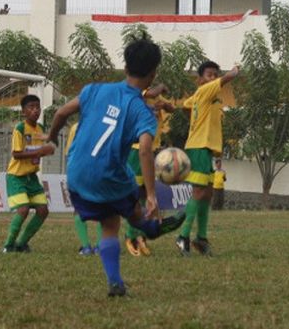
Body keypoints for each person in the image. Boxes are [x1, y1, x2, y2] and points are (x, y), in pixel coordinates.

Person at [47, 37, 186, 296]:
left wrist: (53, 137)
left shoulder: (94, 90)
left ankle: (117, 279)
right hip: (109, 175)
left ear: (125, 67)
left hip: (76, 174)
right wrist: (153, 196)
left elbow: (60, 113)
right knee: (120, 218)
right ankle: (150, 229)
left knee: (109, 218)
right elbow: (146, 149)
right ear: (154, 73)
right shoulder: (142, 111)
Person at [176, 60, 239, 256]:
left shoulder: (203, 96)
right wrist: (234, 70)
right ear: (200, 79)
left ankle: (201, 238)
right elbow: (227, 78)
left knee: (207, 194)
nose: (213, 77)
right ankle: (183, 236)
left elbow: (186, 106)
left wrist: (196, 118)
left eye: (215, 74)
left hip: (206, 147)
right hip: (198, 146)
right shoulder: (205, 91)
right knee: (199, 192)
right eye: (209, 74)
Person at [124, 83, 175, 257]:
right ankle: (130, 236)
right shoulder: (139, 94)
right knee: (136, 195)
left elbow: (172, 108)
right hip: (137, 149)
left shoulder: (156, 98)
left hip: (150, 151)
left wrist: (165, 105)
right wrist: (160, 90)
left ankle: (141, 236)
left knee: (148, 195)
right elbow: (150, 94)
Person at [2, 95, 55, 253]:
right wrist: (41, 151)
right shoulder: (19, 128)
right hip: (16, 176)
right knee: (23, 209)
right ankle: (8, 245)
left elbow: (42, 150)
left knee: (43, 210)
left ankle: (21, 243)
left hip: (31, 177)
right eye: (31, 107)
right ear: (24, 111)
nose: (35, 110)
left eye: (37, 107)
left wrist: (47, 150)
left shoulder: (40, 129)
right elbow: (16, 154)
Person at [65, 122, 103, 256]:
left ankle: (86, 247)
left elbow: (69, 153)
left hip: (80, 170)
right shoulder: (106, 124)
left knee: (79, 208)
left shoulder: (77, 127)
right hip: (100, 170)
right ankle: (99, 247)